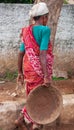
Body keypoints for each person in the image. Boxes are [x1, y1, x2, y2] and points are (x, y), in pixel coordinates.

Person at [15, 2, 53, 130]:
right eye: (46, 17)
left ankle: (24, 121)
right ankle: (34, 124)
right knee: (39, 97)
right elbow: (43, 53)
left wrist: (20, 72)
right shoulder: (45, 30)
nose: (46, 20)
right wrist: (46, 76)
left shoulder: (26, 31)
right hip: (39, 71)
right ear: (43, 17)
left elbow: (21, 53)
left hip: (28, 69)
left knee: (32, 94)